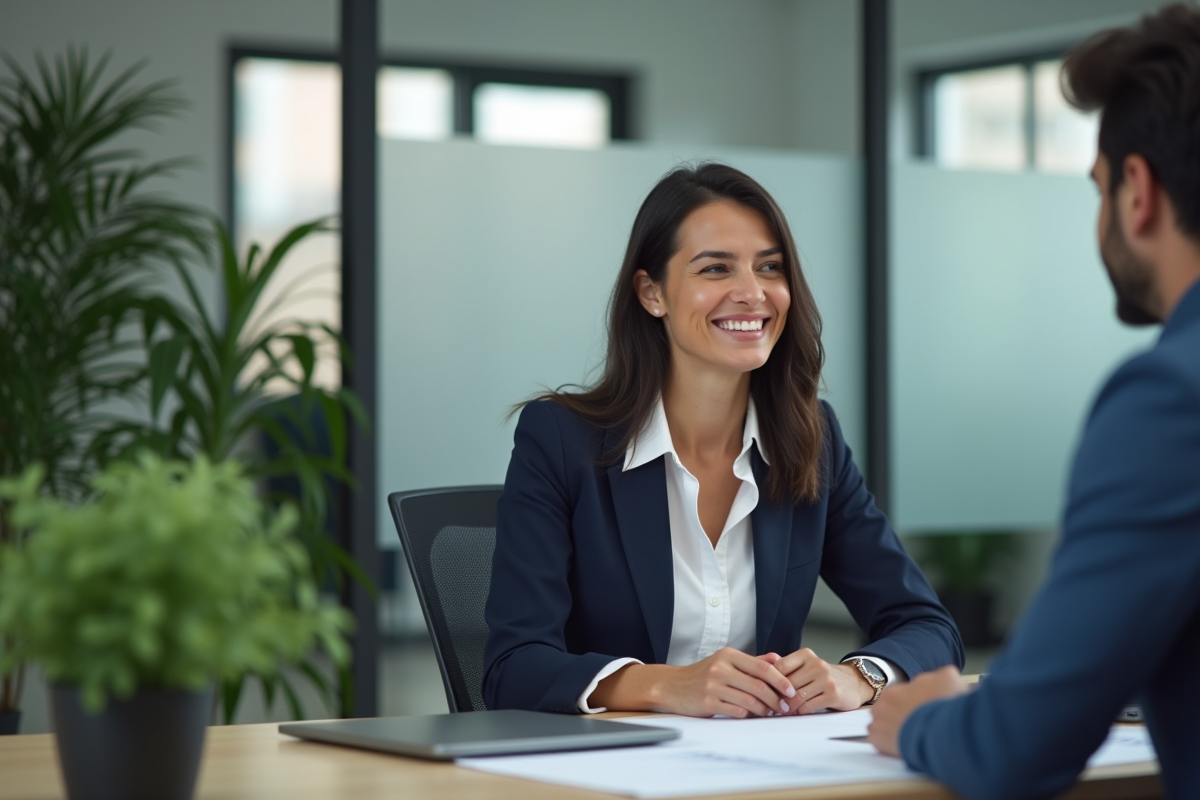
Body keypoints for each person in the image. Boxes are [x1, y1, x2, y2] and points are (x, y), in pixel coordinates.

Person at [483, 163, 963, 719]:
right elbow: (513, 667)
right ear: (651, 293)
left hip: (755, 767)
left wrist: (860, 676)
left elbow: (927, 626)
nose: (753, 293)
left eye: (770, 268)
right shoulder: (562, 440)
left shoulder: (811, 438)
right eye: (715, 269)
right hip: (610, 772)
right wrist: (664, 685)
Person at [866, 5, 1200, 799]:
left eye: (1096, 190)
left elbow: (1017, 747)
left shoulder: (1170, 397)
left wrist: (918, 719)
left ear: (1137, 190)